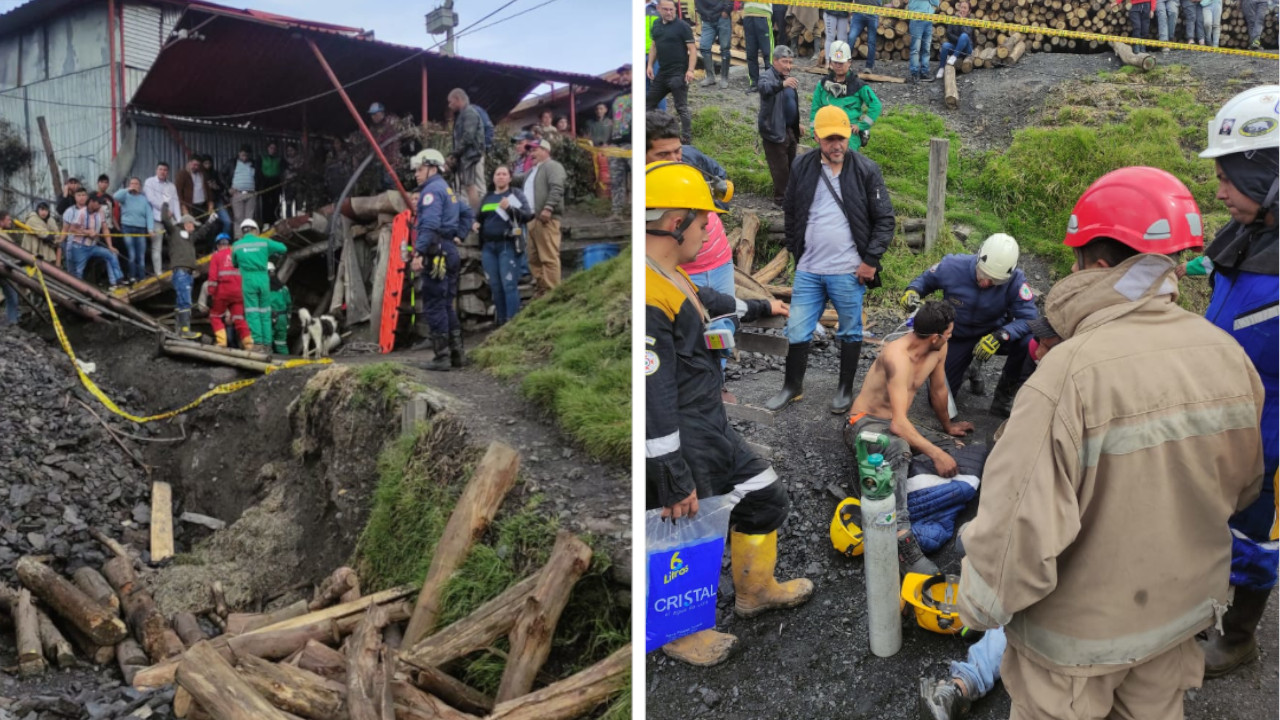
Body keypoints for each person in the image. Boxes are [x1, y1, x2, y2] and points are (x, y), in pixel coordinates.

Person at [956, 166, 1264, 719]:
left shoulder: (1066, 376)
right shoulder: (1227, 354)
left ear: (1095, 264)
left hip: (1077, 645)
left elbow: (1013, 538)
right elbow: (1243, 489)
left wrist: (979, 605)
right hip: (1177, 620)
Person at [645, 160, 811, 667]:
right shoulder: (648, 295)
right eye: (703, 223)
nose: (707, 230)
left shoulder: (670, 275)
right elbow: (652, 398)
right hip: (679, 433)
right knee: (686, 528)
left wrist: (764, 307)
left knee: (764, 492)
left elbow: (711, 301)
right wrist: (671, 475)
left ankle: (755, 590)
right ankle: (680, 630)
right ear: (676, 223)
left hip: (708, 420)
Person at [1189, 85, 1279, 678]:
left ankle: (1240, 634)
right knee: (1215, 518)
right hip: (1229, 422)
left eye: (1229, 177)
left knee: (1257, 535)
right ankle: (1203, 599)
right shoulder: (1248, 236)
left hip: (1271, 439)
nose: (1218, 190)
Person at [766, 106, 894, 414]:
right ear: (816, 137)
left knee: (849, 330)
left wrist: (870, 261)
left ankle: (844, 390)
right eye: (828, 139)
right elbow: (792, 211)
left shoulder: (866, 170)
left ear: (850, 132)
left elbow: (885, 220)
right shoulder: (802, 166)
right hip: (809, 268)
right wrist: (798, 251)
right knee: (797, 329)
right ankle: (792, 386)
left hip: (848, 271)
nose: (836, 145)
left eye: (841, 137)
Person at [842, 300, 966, 577]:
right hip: (864, 423)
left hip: (895, 421)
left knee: (955, 448)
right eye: (948, 333)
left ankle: (909, 495)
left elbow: (938, 390)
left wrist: (948, 426)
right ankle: (902, 541)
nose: (950, 337)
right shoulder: (896, 356)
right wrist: (936, 453)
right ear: (935, 336)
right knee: (898, 447)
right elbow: (899, 425)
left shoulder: (938, 349)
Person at [900, 233, 1039, 417]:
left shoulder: (1016, 280)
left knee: (1028, 342)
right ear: (978, 259)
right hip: (958, 334)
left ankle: (1003, 398)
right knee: (938, 404)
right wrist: (912, 291)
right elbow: (924, 281)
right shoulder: (952, 265)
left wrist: (1003, 334)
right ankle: (971, 367)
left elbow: (1030, 319)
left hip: (994, 332)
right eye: (984, 275)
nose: (986, 283)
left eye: (995, 281)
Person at [646, 112, 737, 389]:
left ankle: (716, 387)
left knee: (722, 325)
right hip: (680, 269)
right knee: (687, 342)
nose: (675, 160)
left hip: (718, 259)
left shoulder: (691, 158)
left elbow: (722, 179)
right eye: (663, 154)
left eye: (677, 151)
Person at [409, 148, 472, 371]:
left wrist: (419, 252)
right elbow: (467, 213)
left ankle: (442, 357)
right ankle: (458, 355)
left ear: (432, 168)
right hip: (449, 251)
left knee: (435, 304)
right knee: (447, 304)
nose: (416, 173)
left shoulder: (431, 192)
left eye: (420, 168)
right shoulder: (447, 189)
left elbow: (430, 224)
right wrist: (459, 235)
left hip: (436, 254)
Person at [476, 165, 533, 327]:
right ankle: (500, 322)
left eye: (504, 174)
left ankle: (512, 322)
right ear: (493, 178)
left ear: (509, 178)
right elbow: (479, 217)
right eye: (497, 174)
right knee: (495, 285)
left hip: (507, 245)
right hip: (488, 247)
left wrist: (510, 208)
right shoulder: (487, 197)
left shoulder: (516, 194)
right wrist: (475, 224)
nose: (500, 177)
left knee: (508, 284)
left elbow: (527, 216)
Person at [809, 41, 880, 152]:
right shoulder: (822, 84)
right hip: (826, 130)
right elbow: (815, 109)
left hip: (849, 133)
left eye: (841, 63)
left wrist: (861, 126)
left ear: (849, 62)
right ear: (831, 63)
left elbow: (875, 105)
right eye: (835, 62)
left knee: (847, 164)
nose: (838, 66)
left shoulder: (858, 85)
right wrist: (814, 131)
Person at [518, 139, 567, 295]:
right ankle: (542, 292)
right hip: (531, 219)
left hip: (546, 218)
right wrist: (501, 176)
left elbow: (557, 187)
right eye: (530, 151)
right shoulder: (532, 171)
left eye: (535, 150)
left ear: (546, 150)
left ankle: (554, 294)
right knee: (533, 258)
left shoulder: (552, 166)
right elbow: (516, 179)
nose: (531, 153)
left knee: (548, 257)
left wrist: (548, 207)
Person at [231, 219, 287, 355]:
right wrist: (266, 253)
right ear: (255, 230)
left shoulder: (237, 245)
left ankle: (258, 344)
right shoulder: (263, 241)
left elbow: (234, 263)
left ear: (243, 231)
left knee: (252, 313)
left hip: (248, 280)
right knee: (265, 313)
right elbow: (283, 248)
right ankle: (268, 345)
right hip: (263, 279)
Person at [161, 206, 215, 339]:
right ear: (187, 224)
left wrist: (210, 221)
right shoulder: (174, 232)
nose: (194, 228)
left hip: (187, 273)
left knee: (181, 301)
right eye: (193, 225)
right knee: (185, 301)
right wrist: (165, 205)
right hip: (181, 272)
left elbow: (201, 232)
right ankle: (185, 330)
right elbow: (164, 219)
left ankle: (180, 330)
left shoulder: (190, 238)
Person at [647, 0, 696, 145]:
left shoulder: (682, 27)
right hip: (662, 73)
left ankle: (686, 139)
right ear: (658, 9)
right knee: (648, 104)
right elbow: (654, 46)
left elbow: (692, 49)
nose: (669, 13)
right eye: (666, 9)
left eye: (671, 10)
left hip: (678, 74)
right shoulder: (656, 25)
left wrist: (691, 70)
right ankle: (652, 134)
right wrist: (650, 65)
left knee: (681, 107)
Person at [758, 45, 801, 207]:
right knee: (780, 170)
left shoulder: (786, 78)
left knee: (792, 166)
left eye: (790, 62)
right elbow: (764, 89)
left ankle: (790, 198)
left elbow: (789, 104)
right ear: (775, 61)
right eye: (784, 62)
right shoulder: (767, 76)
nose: (788, 66)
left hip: (789, 130)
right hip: (773, 130)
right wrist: (782, 85)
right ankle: (781, 202)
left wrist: (797, 123)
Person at [62, 190, 124, 290]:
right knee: (78, 271)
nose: (100, 205)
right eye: (98, 203)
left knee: (111, 254)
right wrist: (87, 232)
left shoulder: (100, 212)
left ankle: (118, 280)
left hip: (93, 246)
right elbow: (72, 229)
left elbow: (105, 228)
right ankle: (77, 291)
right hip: (79, 247)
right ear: (91, 202)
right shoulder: (81, 213)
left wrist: (110, 246)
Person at [206, 233, 252, 349]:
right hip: (238, 292)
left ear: (218, 245)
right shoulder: (239, 255)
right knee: (239, 318)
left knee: (215, 315)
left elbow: (213, 278)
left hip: (223, 292)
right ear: (229, 244)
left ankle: (222, 342)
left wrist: (211, 294)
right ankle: (249, 344)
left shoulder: (216, 256)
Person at [448, 89, 486, 212]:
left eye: (450, 102)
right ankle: (472, 218)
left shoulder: (469, 113)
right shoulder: (463, 115)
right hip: (468, 157)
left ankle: (478, 218)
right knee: (468, 188)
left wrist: (454, 153)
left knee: (475, 189)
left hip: (473, 157)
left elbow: (468, 136)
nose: (449, 105)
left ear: (458, 99)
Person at [113, 177, 155, 284]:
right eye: (132, 183)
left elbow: (149, 214)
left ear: (140, 186)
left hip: (141, 228)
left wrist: (150, 229)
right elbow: (115, 196)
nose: (134, 185)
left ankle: (141, 277)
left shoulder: (143, 198)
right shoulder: (125, 196)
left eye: (136, 184)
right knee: (131, 254)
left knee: (140, 255)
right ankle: (132, 276)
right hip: (127, 227)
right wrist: (128, 189)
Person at [143, 163, 180, 275]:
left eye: (165, 170)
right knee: (156, 247)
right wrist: (165, 210)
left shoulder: (171, 185)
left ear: (167, 172)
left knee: (176, 243)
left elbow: (176, 202)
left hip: (170, 218)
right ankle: (158, 272)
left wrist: (178, 220)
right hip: (156, 218)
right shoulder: (149, 182)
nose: (162, 172)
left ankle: (177, 266)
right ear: (156, 170)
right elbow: (151, 199)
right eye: (160, 169)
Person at [608, 65, 634, 220]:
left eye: (627, 73)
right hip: (615, 145)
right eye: (621, 75)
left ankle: (635, 211)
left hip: (632, 143)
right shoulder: (616, 98)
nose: (624, 77)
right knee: (616, 180)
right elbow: (613, 121)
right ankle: (617, 213)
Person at [224, 146, 263, 238]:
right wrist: (228, 188)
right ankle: (238, 238)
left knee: (249, 217)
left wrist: (258, 190)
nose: (245, 157)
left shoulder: (254, 164)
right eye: (243, 155)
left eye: (247, 155)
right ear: (239, 153)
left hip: (251, 194)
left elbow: (260, 177)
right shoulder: (232, 163)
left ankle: (248, 237)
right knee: (238, 218)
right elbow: (221, 175)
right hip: (237, 193)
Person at [368, 102, 404, 191]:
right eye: (372, 114)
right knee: (382, 186)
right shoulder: (374, 128)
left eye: (375, 114)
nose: (373, 117)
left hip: (391, 162)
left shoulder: (391, 122)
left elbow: (396, 139)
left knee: (392, 185)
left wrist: (394, 160)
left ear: (382, 113)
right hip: (381, 163)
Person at [696, 0, 733, 88]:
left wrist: (727, 10)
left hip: (722, 17)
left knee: (725, 48)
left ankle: (724, 78)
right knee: (704, 46)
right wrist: (703, 14)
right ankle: (710, 77)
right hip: (707, 20)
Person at [741, 1, 773, 93]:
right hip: (748, 15)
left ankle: (770, 82)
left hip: (763, 14)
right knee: (750, 52)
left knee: (768, 52)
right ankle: (754, 83)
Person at [937, 2, 974, 77]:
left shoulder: (971, 21)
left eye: (965, 8)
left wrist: (962, 22)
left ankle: (954, 56)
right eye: (961, 7)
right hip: (956, 46)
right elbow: (949, 34)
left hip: (966, 49)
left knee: (964, 36)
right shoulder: (953, 18)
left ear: (969, 11)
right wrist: (960, 41)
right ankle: (941, 68)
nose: (962, 10)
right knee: (945, 45)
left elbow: (968, 33)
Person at [908, 0, 941, 83]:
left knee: (926, 49)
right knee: (915, 49)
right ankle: (914, 74)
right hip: (916, 19)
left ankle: (924, 73)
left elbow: (937, 3)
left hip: (928, 19)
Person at [0, 212, 21, 326]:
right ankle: (12, 323)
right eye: (8, 219)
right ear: (1, 221)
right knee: (12, 297)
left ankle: (12, 323)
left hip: (6, 268)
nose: (10, 222)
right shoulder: (3, 235)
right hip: (5, 268)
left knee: (12, 297)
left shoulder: (5, 234)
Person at [847, 0, 882, 70]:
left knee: (871, 41)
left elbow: (879, 2)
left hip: (873, 13)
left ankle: (869, 67)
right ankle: (846, 63)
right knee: (851, 37)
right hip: (858, 13)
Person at [175, 155, 210, 222]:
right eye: (194, 165)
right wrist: (183, 207)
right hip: (190, 207)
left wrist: (210, 203)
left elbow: (208, 190)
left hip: (203, 206)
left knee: (208, 226)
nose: (196, 167)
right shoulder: (182, 174)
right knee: (193, 228)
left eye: (198, 165)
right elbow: (178, 192)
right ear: (189, 163)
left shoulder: (202, 174)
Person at [267, 261, 291, 355]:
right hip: (282, 318)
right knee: (281, 344)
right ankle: (288, 366)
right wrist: (288, 321)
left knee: (267, 344)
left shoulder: (264, 289)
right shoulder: (284, 288)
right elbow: (289, 305)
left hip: (270, 318)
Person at [821, 1, 853, 71]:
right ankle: (828, 62)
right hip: (830, 11)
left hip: (844, 12)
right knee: (830, 37)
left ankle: (841, 61)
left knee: (842, 39)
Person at [260, 141, 285, 225]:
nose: (273, 150)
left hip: (276, 183)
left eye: (274, 148)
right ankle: (266, 223)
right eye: (271, 148)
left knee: (276, 203)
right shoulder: (262, 158)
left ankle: (275, 222)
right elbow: (258, 172)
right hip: (265, 183)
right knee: (266, 204)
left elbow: (283, 170)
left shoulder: (279, 159)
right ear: (268, 148)